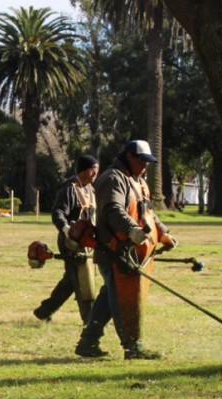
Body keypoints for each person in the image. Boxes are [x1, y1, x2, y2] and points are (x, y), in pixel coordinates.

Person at [75, 140, 177, 359]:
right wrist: (132, 230)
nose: (145, 166)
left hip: (132, 253)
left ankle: (88, 342)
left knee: (110, 295)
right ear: (129, 157)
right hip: (115, 251)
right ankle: (133, 346)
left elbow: (148, 211)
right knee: (122, 297)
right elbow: (112, 210)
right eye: (142, 161)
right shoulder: (113, 179)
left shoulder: (137, 180)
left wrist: (163, 232)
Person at [33, 155, 100, 326]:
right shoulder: (71, 188)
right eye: (94, 170)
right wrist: (66, 229)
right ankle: (90, 319)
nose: (96, 173)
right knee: (82, 277)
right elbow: (58, 212)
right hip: (71, 242)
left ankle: (44, 311)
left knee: (70, 280)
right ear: (85, 170)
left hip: (86, 241)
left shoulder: (90, 189)